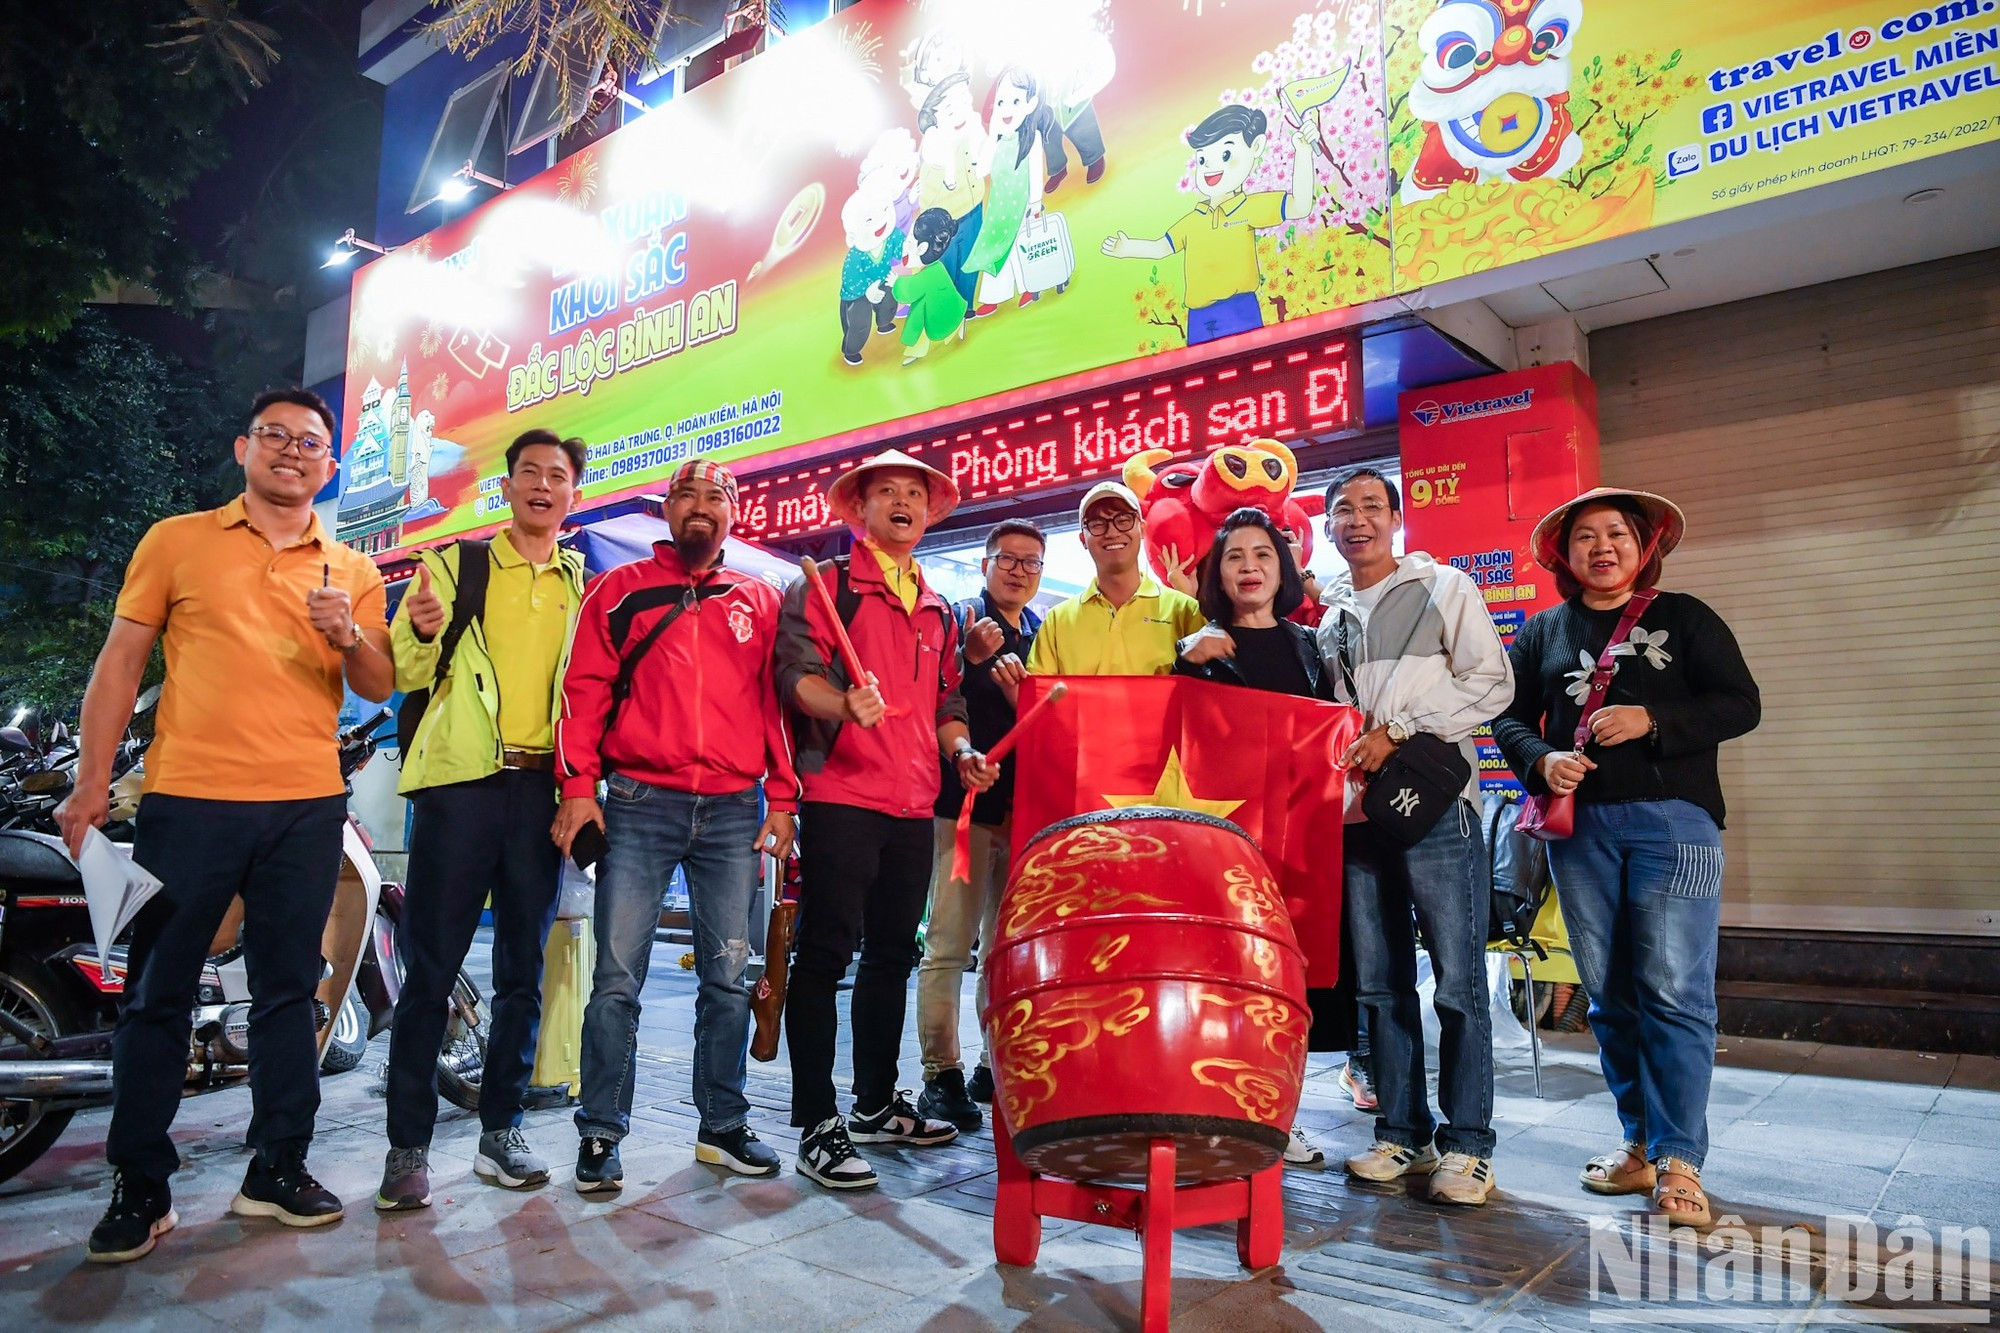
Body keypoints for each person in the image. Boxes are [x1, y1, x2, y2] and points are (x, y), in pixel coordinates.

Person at [55, 389, 392, 1262]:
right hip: (187, 801)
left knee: (292, 990)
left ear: (330, 466)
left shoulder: (352, 568)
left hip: (307, 806)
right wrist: (93, 784)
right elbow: (122, 659)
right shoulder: (177, 541)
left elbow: (381, 683)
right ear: (243, 446)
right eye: (274, 436)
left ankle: (277, 1166)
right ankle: (142, 1182)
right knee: (156, 994)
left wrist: (349, 633)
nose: (291, 451)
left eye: (309, 441)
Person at [1492, 488, 1760, 1229]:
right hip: (1582, 834)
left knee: (1676, 990)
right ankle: (1638, 1143)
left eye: (1616, 534)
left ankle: (1681, 1160)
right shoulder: (1543, 629)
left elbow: (1742, 703)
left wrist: (1655, 718)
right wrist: (1542, 759)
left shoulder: (1688, 616)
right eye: (1585, 536)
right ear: (1563, 554)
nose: (1601, 547)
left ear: (1645, 547)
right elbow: (1508, 717)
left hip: (1679, 827)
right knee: (1610, 993)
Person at [551, 459, 801, 1192]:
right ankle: (600, 1132)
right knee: (617, 981)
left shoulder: (761, 599)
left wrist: (783, 799)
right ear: (666, 508)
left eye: (715, 495)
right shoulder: (616, 592)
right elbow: (583, 693)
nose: (700, 505)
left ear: (735, 512)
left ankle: (721, 1124)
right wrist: (578, 787)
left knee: (728, 977)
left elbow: (775, 707)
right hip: (635, 802)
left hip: (734, 810)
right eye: (686, 494)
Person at [774, 449, 999, 1191]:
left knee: (892, 957)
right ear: (858, 509)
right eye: (887, 492)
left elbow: (948, 704)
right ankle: (816, 1120)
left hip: (913, 803)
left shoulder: (942, 607)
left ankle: (873, 1102)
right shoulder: (829, 586)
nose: (903, 502)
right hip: (841, 795)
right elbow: (795, 673)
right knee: (824, 956)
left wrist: (961, 752)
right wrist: (844, 704)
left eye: (915, 493)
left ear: (929, 512)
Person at [375, 429, 587, 1209]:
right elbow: (404, 667)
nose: (541, 484)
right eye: (528, 471)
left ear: (572, 495)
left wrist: (581, 789)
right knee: (430, 973)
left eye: (555, 475)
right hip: (460, 787)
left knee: (523, 975)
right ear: (507, 487)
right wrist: (424, 627)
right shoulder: (454, 565)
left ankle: (502, 1132)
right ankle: (408, 1149)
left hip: (541, 795)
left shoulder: (583, 587)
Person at [1315, 467, 1514, 1206]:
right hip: (1358, 820)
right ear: (1329, 526)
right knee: (1379, 984)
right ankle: (1402, 1131)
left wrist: (1398, 729)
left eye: (1372, 506)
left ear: (1396, 518)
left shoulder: (1445, 587)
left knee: (1459, 984)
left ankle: (1469, 1146)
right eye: (1343, 510)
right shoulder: (1328, 619)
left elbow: (1492, 682)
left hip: (1437, 809)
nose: (1357, 520)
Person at [1171, 507, 1349, 1168]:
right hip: (1224, 847)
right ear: (1216, 574)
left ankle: (1275, 1116)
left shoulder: (1312, 647)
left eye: (1262, 554)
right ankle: (1211, 1113)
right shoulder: (1200, 648)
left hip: (1301, 846)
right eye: (1234, 556)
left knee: (1287, 983)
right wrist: (1184, 663)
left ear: (1283, 568)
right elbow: (1172, 743)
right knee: (1223, 977)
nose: (1249, 566)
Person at [915, 519, 1045, 1130]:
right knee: (947, 944)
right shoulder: (958, 619)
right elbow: (932, 700)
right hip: (959, 811)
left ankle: (995, 1064)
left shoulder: (1045, 637)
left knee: (1003, 951)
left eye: (1030, 562)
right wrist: (968, 661)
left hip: (1024, 814)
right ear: (985, 563)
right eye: (1008, 558)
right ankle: (939, 1073)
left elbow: (1049, 729)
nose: (1018, 570)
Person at [1101, 104, 1320, 346]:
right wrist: (1127, 248)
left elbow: (1300, 206)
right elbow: (1161, 247)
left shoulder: (1250, 207)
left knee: (1247, 369)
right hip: (1199, 317)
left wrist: (1302, 151)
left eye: (1225, 155)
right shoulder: (1193, 221)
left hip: (1239, 309)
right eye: (1202, 159)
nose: (1210, 168)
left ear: (1255, 147)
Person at [1025, 480, 1204, 678]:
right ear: (1083, 539)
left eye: (1123, 520)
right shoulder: (1057, 621)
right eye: (1097, 524)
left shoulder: (1186, 611)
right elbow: (1040, 696)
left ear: (1142, 529)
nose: (1112, 532)